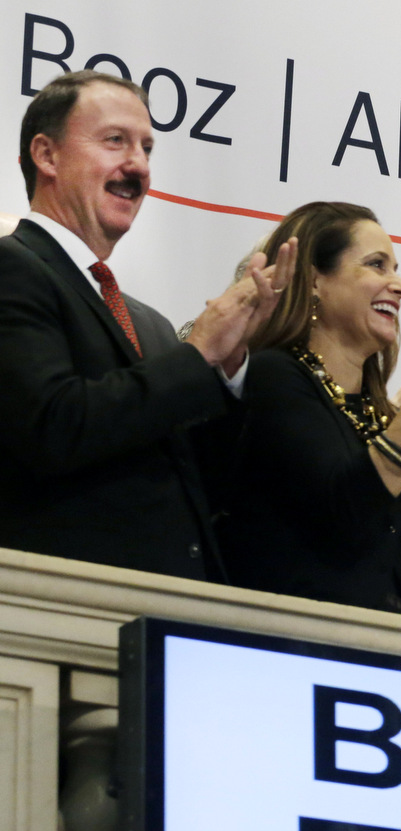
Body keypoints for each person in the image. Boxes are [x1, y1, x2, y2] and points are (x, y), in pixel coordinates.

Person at [0, 71, 290, 581]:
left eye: (147, 148)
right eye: (115, 141)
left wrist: (229, 367)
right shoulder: (13, 268)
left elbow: (204, 483)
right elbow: (53, 427)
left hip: (173, 618)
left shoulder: (147, 324)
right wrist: (196, 353)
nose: (138, 165)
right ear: (46, 156)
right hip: (65, 607)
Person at [211, 201, 401, 616]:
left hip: (393, 654)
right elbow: (346, 515)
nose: (400, 286)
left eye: (395, 268)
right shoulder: (273, 378)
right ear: (313, 280)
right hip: (297, 649)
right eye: (377, 265)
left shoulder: (381, 416)